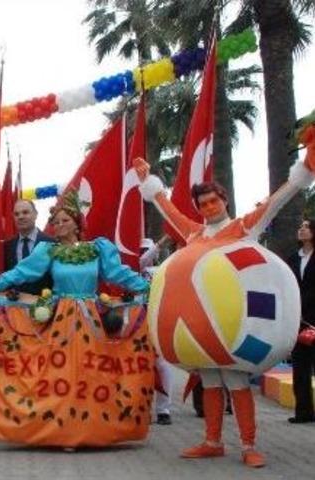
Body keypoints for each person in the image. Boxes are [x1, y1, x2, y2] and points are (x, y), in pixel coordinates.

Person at [133, 130, 315, 468]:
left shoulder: (243, 228)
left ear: (224, 200)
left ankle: (248, 445)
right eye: (203, 204)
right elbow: (168, 208)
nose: (208, 208)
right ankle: (212, 440)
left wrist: (303, 171)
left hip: (236, 327)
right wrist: (151, 186)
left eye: (213, 201)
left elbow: (275, 202)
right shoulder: (194, 232)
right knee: (211, 380)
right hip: (202, 327)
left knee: (235, 379)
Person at [0, 199, 151, 448]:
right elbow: (23, 272)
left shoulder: (97, 249)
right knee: (62, 374)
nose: (59, 225)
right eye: (56, 221)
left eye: (65, 221)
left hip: (92, 317)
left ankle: (93, 429)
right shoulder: (47, 251)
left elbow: (117, 274)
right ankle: (64, 431)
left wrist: (146, 287)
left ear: (77, 224)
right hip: (61, 318)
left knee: (92, 373)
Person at [139, 238, 173, 426]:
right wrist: (159, 244)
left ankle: (163, 409)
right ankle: (142, 408)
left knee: (163, 365)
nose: (144, 254)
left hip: (157, 323)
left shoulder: (160, 271)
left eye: (146, 251)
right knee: (140, 367)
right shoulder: (131, 269)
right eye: (141, 251)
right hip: (135, 323)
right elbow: (140, 261)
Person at [286, 219, 315, 424]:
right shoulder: (292, 258)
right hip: (299, 320)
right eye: (300, 227)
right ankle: (303, 412)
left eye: (306, 227)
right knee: (300, 368)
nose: (301, 229)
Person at [2, 199, 54, 294]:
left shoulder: (51, 243)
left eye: (25, 212)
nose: (20, 217)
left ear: (35, 214)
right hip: (14, 305)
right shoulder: (7, 246)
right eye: (16, 214)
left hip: (43, 304)